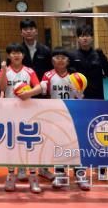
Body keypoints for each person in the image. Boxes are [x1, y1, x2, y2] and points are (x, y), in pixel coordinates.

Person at [40, 48, 90, 191]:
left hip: (73, 114)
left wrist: (78, 91)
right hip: (55, 115)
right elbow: (43, 94)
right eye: (57, 57)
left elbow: (80, 97)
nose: (60, 60)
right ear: (52, 60)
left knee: (76, 145)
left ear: (68, 61)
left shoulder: (75, 77)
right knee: (58, 144)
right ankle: (60, 174)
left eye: (63, 57)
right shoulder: (48, 75)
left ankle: (80, 174)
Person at [0, 43, 42, 193]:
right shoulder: (5, 70)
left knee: (29, 145)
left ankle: (33, 177)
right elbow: (2, 88)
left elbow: (39, 87)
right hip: (9, 113)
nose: (16, 55)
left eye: (19, 53)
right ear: (8, 55)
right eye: (13, 53)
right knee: (11, 145)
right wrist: (4, 71)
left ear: (23, 55)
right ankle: (11, 176)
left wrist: (29, 93)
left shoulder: (29, 71)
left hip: (27, 113)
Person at [69, 25, 108, 100]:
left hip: (97, 97)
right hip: (78, 97)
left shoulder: (99, 54)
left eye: (87, 35)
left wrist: (103, 58)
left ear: (92, 38)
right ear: (78, 39)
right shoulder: (72, 55)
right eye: (82, 36)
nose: (85, 38)